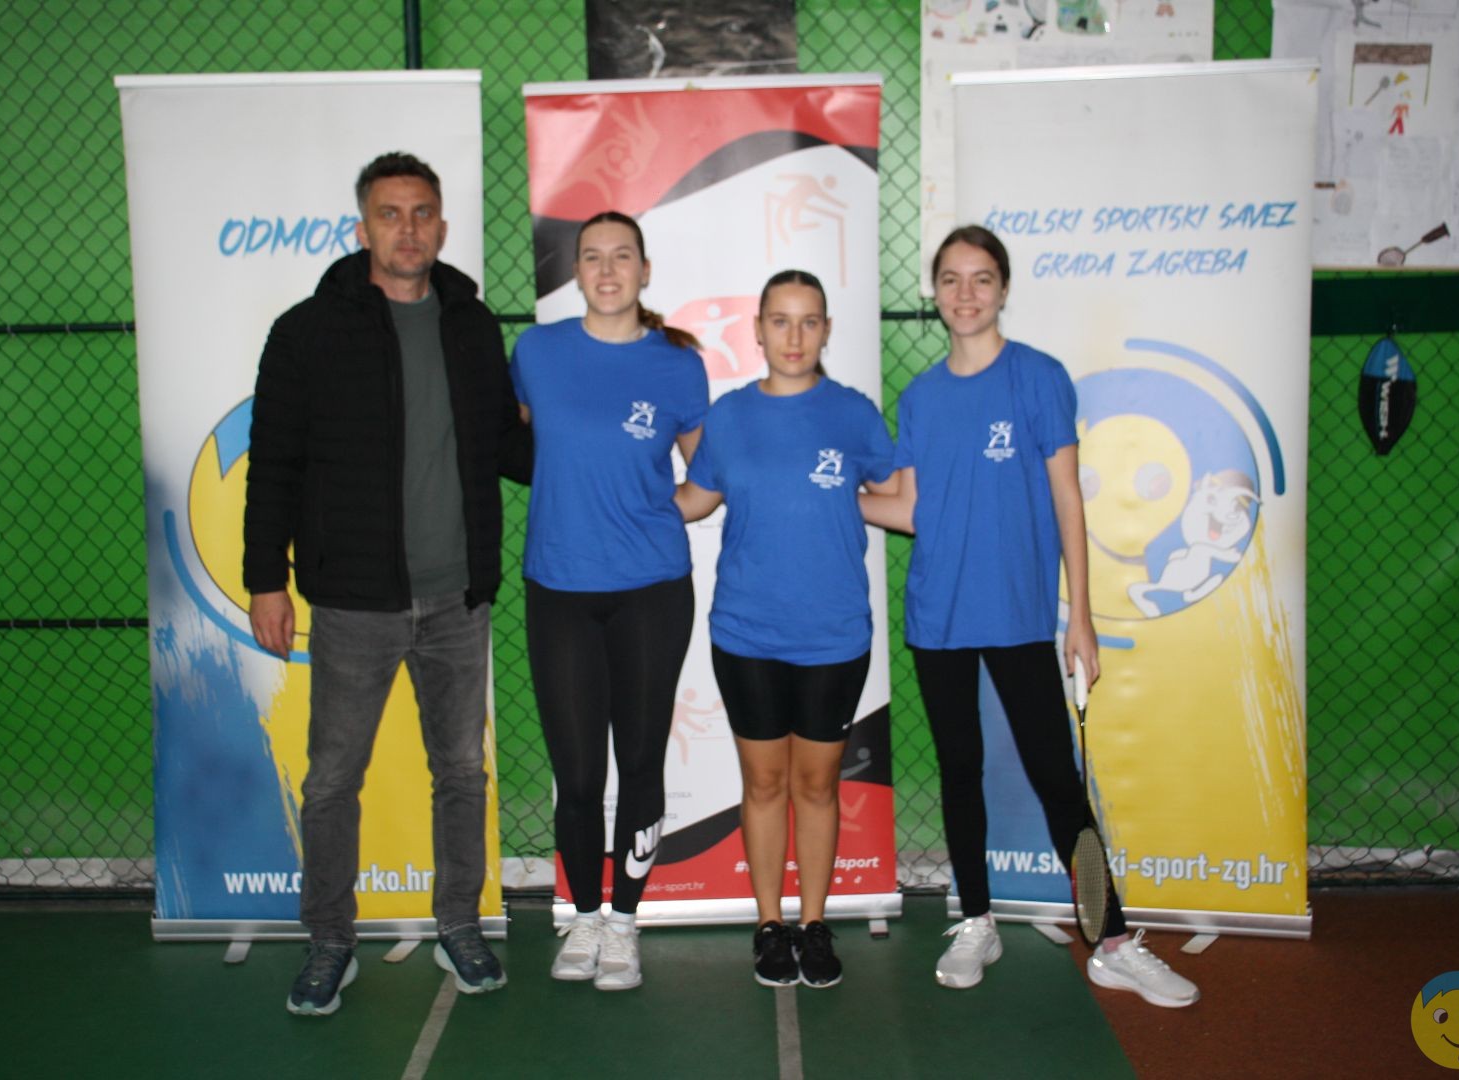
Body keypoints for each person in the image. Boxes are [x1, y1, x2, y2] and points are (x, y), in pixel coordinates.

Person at [860, 225, 1200, 1008]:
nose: (966, 293)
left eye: (981, 278)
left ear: (1004, 289)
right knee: (960, 772)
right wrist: (831, 497)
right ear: (934, 292)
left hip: (1016, 613)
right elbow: (911, 507)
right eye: (951, 279)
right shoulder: (920, 397)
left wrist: (1080, 617)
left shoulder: (1039, 378)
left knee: (1056, 778)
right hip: (938, 616)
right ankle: (976, 921)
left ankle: (1111, 941)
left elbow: (1068, 498)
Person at [243, 151, 531, 1015]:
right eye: (390, 214)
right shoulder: (307, 331)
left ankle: (459, 924)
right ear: (362, 227)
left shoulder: (472, 326)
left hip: (458, 597)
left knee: (463, 773)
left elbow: (506, 446)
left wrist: (596, 442)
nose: (408, 229)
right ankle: (330, 940)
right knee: (332, 780)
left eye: (422, 213)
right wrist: (266, 581)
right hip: (353, 601)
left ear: (441, 224)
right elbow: (274, 465)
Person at [675, 270, 894, 989]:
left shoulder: (854, 414)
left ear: (826, 329)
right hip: (747, 633)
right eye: (780, 321)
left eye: (808, 321)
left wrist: (837, 501)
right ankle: (769, 925)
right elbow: (696, 499)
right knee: (765, 782)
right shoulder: (731, 415)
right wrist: (614, 493)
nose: (794, 336)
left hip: (834, 634)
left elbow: (899, 498)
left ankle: (814, 923)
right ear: (758, 330)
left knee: (818, 785)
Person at [509, 211, 707, 991]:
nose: (607, 269)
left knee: (642, 763)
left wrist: (658, 513)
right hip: (559, 590)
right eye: (592, 256)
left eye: (622, 255)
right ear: (576, 271)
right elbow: (525, 442)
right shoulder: (537, 352)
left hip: (652, 592)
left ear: (644, 270)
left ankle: (624, 923)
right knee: (579, 774)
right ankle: (584, 918)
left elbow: (708, 477)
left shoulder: (677, 365)